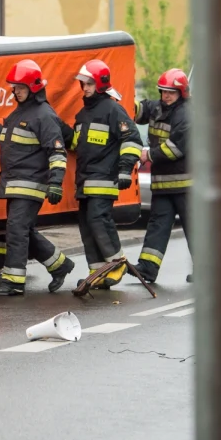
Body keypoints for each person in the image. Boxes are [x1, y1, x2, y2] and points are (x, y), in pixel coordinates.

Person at [0, 59, 75, 296]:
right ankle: (60, 265)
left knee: (17, 229)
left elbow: (57, 151)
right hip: (16, 182)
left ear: (33, 87)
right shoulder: (23, 112)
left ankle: (13, 282)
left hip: (30, 184)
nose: (15, 91)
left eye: (20, 87)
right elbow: (13, 141)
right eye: (14, 87)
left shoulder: (44, 115)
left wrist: (55, 183)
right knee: (23, 230)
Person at [63, 59, 143, 292]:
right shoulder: (83, 114)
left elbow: (132, 139)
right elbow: (77, 144)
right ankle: (97, 270)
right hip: (85, 180)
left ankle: (116, 263)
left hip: (104, 178)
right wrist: (59, 127)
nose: (85, 88)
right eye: (83, 84)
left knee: (99, 219)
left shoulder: (113, 109)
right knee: (87, 225)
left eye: (89, 83)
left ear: (100, 84)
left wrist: (125, 169)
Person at [133, 68, 192, 284]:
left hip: (186, 186)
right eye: (163, 91)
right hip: (163, 184)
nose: (166, 96)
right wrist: (122, 102)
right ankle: (147, 268)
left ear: (181, 93)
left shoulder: (186, 115)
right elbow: (139, 111)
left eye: (171, 93)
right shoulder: (157, 108)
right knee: (157, 226)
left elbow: (174, 149)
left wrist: (148, 154)